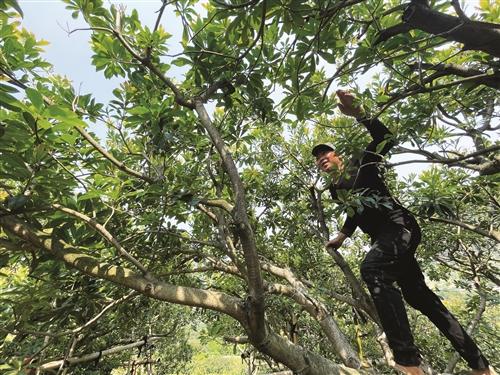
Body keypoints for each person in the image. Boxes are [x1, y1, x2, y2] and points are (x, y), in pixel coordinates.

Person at [312, 90, 495, 375]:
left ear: (339, 156)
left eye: (326, 152)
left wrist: (361, 113)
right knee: (421, 298)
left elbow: (387, 138)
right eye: (317, 157)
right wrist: (343, 236)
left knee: (373, 269)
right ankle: (480, 366)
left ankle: (408, 361)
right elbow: (355, 212)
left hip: (400, 227)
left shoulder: (363, 161)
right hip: (387, 241)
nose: (321, 158)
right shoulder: (336, 191)